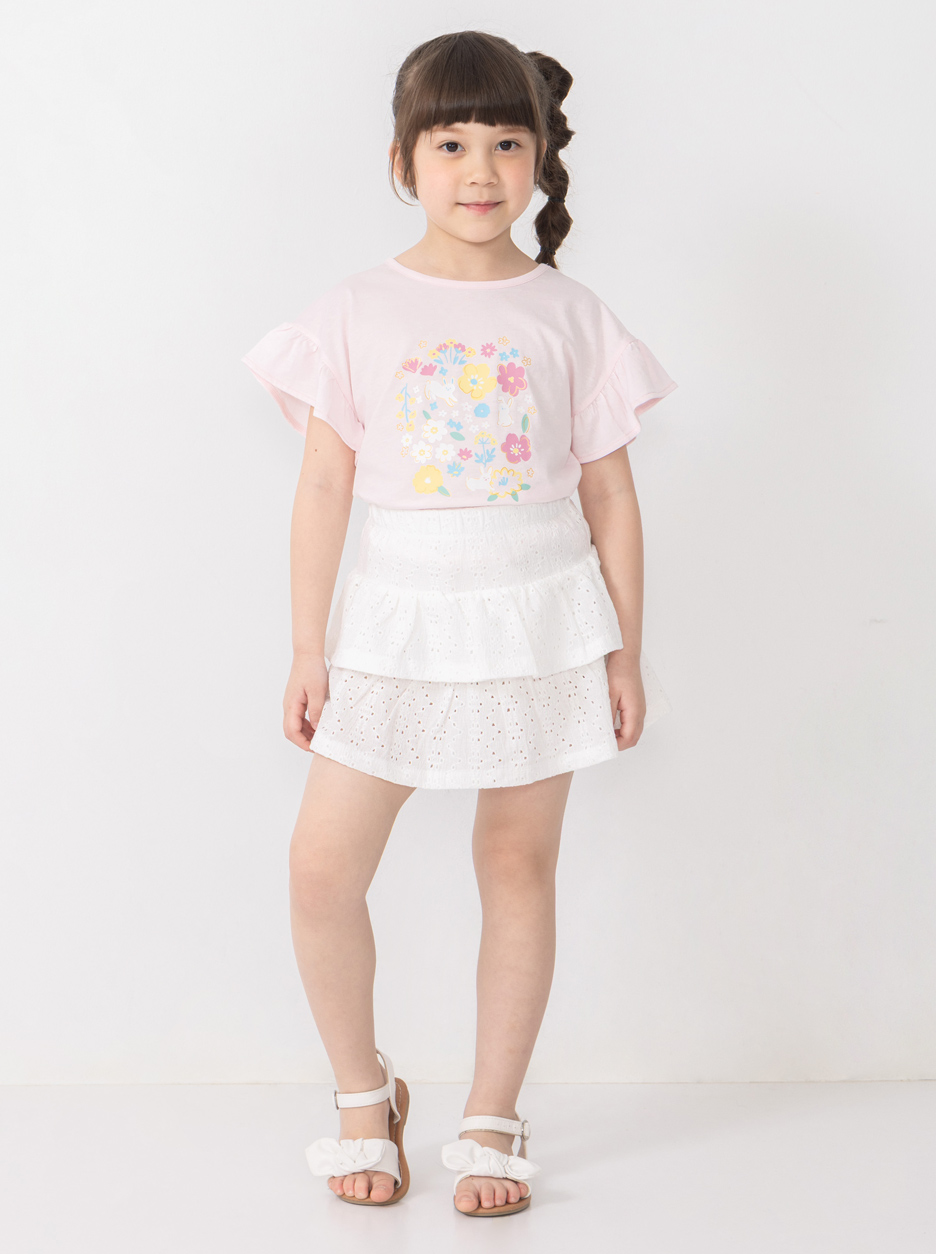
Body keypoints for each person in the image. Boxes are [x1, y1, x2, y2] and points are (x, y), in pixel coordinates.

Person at [241, 30, 678, 1217]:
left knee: (516, 862)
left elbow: (610, 498)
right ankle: (362, 1093)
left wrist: (624, 650)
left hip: (538, 620)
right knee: (321, 868)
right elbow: (322, 487)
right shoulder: (354, 309)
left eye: (505, 141)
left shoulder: (573, 313)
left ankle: (491, 1113)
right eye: (449, 143)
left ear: (539, 158)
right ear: (402, 160)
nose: (479, 169)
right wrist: (307, 647)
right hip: (396, 622)